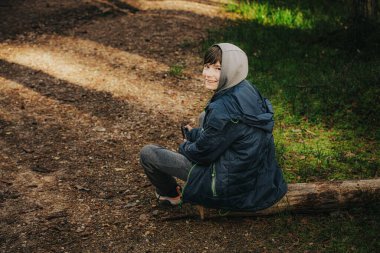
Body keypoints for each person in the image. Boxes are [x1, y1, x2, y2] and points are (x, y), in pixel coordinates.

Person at [140, 43, 287, 211]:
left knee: (148, 154)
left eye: (218, 69)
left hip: (231, 188)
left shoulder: (223, 109)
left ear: (231, 69)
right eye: (207, 66)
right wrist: (195, 134)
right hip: (258, 175)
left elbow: (202, 154)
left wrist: (185, 146)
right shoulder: (246, 87)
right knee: (204, 117)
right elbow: (228, 132)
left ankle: (171, 196)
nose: (208, 74)